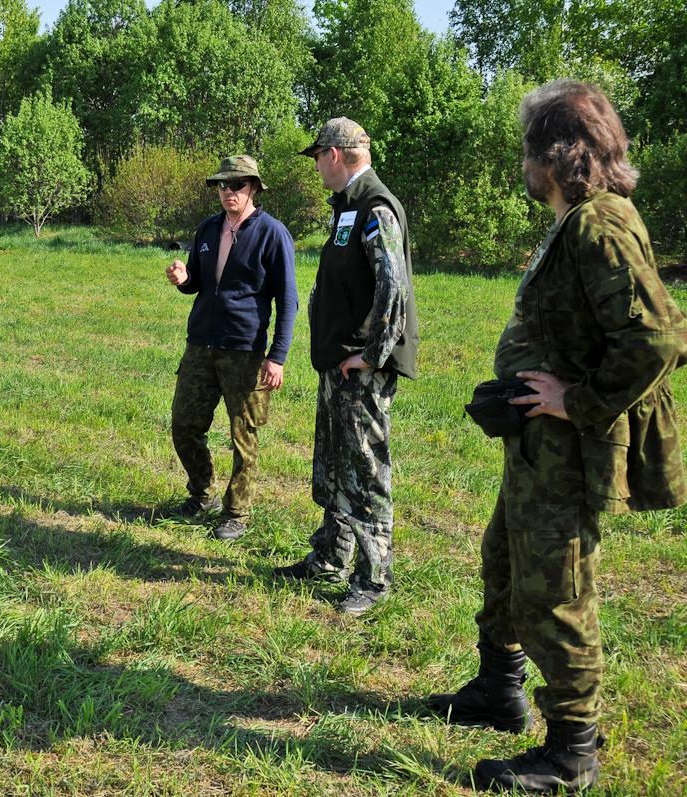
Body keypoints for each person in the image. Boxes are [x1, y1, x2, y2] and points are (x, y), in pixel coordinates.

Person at [426, 80, 687, 794]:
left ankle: (572, 750)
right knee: (506, 560)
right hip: (535, 446)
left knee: (559, 589)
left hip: (568, 448)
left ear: (556, 152)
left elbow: (659, 335)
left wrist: (576, 401)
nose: (524, 161)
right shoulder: (577, 219)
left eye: (530, 146)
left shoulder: (601, 221)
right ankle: (497, 690)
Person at [275, 118, 419, 615]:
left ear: (335, 154)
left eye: (317, 156)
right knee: (335, 464)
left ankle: (373, 579)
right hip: (337, 365)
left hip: (360, 370)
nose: (315, 165)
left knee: (365, 470)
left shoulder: (376, 207)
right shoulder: (349, 208)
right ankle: (330, 556)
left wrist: (372, 355)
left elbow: (392, 288)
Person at [164, 155, 299, 540]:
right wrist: (183, 278)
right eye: (222, 186)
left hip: (246, 351)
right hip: (200, 345)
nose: (228, 192)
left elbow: (287, 300)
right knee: (183, 424)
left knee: (244, 435)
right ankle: (201, 494)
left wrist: (278, 356)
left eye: (236, 185)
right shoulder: (208, 229)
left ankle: (236, 513)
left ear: (254, 188)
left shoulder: (273, 233)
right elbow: (197, 284)